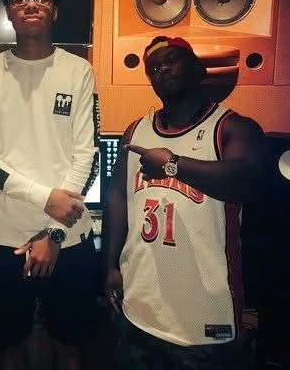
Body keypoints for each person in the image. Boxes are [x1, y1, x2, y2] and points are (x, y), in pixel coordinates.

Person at [104, 36, 268, 370]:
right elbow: (118, 196)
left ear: (196, 69)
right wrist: (109, 264)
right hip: (140, 308)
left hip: (205, 318)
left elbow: (249, 180)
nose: (162, 70)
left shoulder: (231, 127)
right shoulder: (135, 131)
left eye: (171, 61)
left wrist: (172, 165)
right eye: (153, 68)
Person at [0, 0, 100, 370]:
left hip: (69, 238)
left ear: (54, 9)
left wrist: (55, 231)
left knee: (70, 346)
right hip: (6, 239)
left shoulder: (79, 71)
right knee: (9, 346)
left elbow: (88, 154)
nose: (31, 4)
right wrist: (46, 199)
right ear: (8, 10)